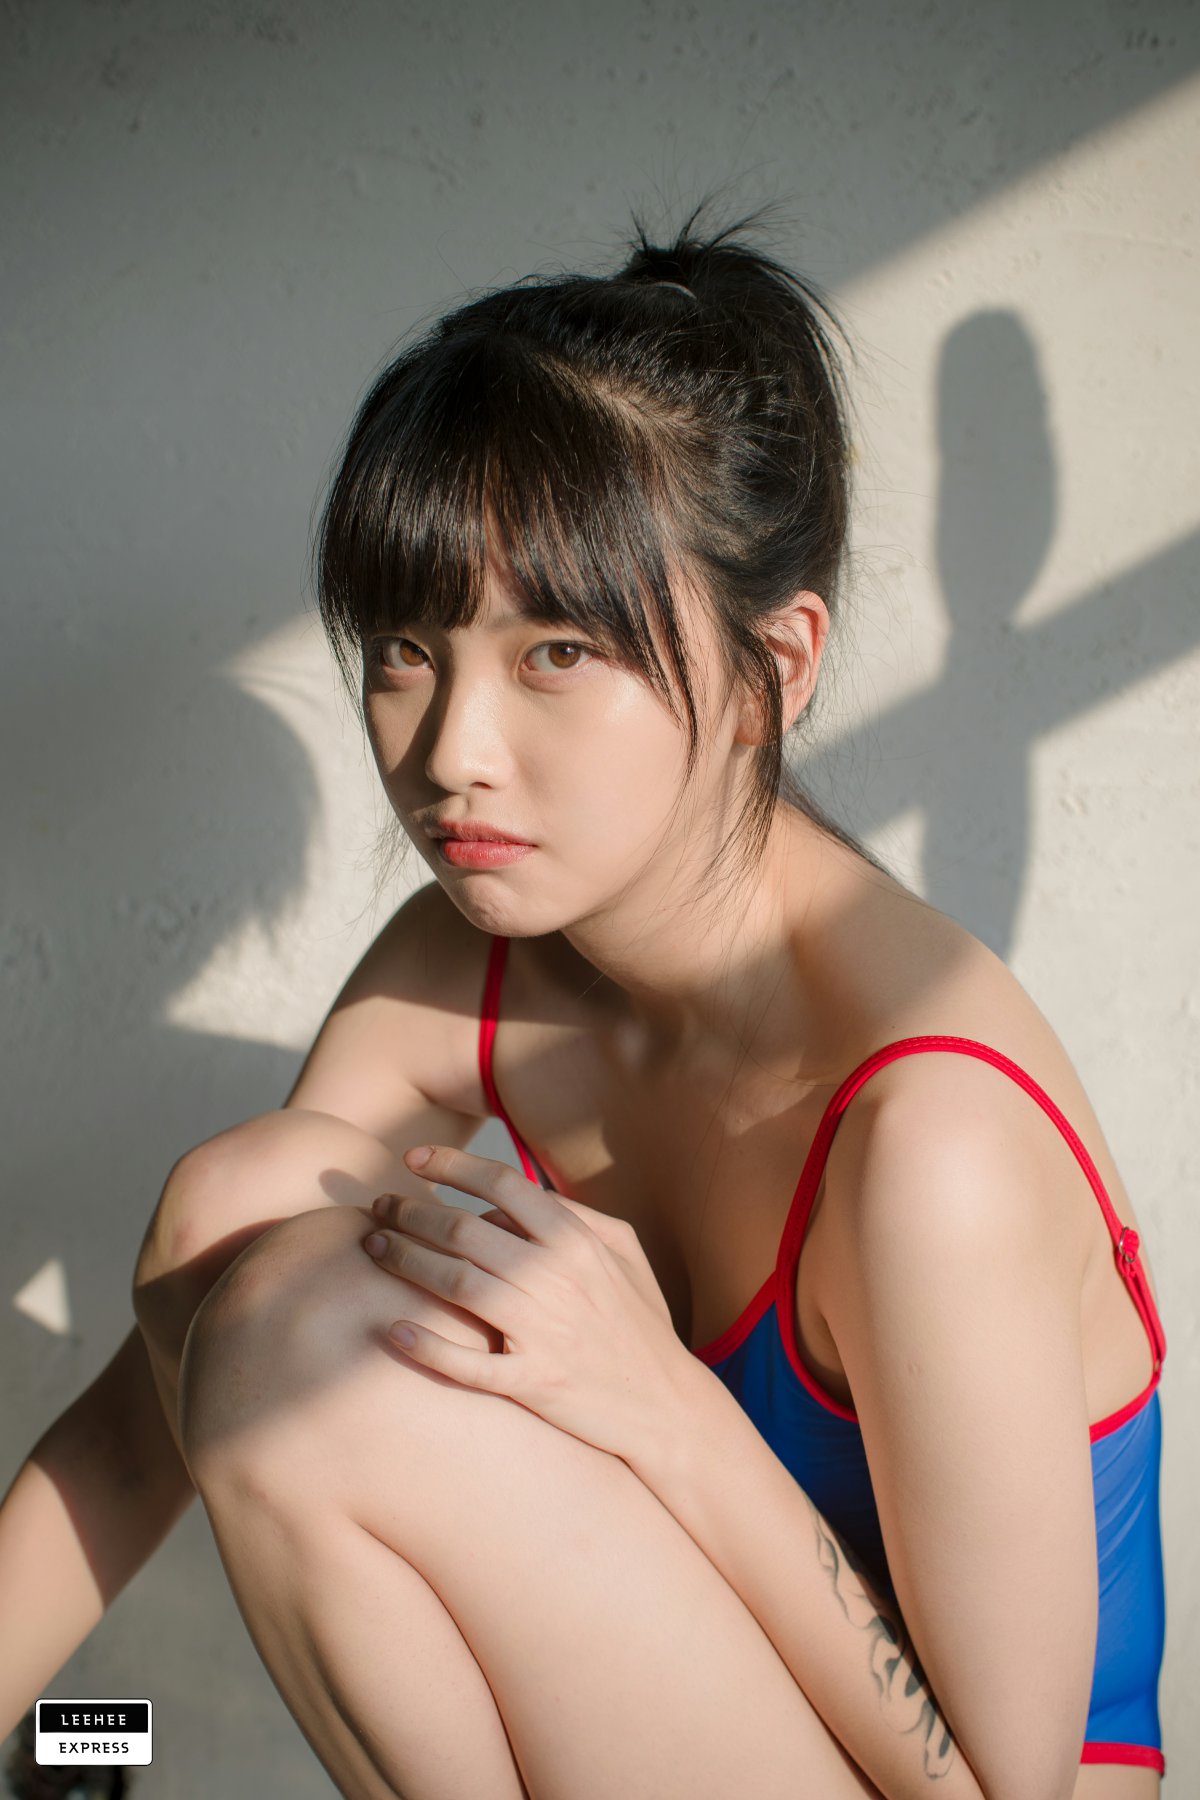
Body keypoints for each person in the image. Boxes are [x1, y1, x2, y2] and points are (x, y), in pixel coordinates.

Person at [1, 202, 1167, 1800]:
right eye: (406, 649)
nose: (451, 751)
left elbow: (999, 1788)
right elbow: (163, 1417)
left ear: (775, 668)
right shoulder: (465, 968)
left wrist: (664, 1406)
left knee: (315, 1337)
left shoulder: (929, 1137)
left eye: (554, 651)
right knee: (238, 1221)